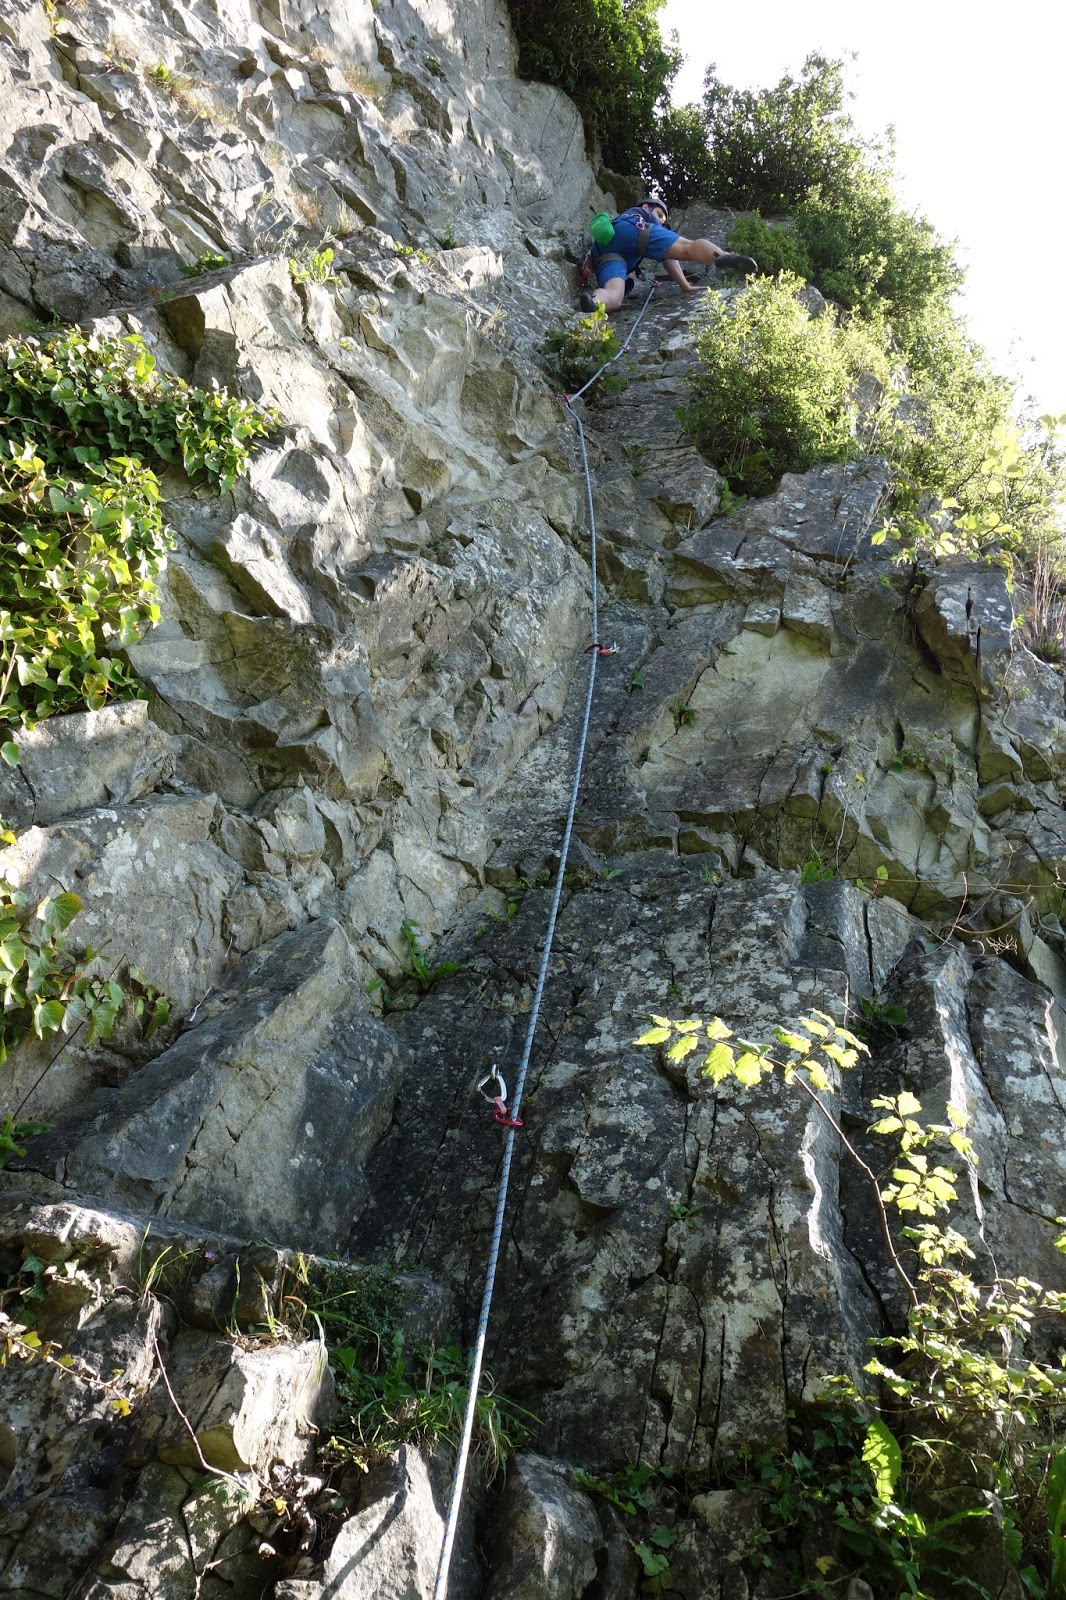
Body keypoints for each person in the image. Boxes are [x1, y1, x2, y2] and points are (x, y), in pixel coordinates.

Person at [579, 197, 756, 314]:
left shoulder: (620, 218)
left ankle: (593, 301)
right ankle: (722, 256)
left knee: (615, 295)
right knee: (687, 247)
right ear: (646, 207)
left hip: (605, 255)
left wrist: (685, 285)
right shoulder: (643, 214)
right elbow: (669, 257)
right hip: (633, 229)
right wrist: (685, 286)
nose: (661, 221)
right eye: (660, 215)